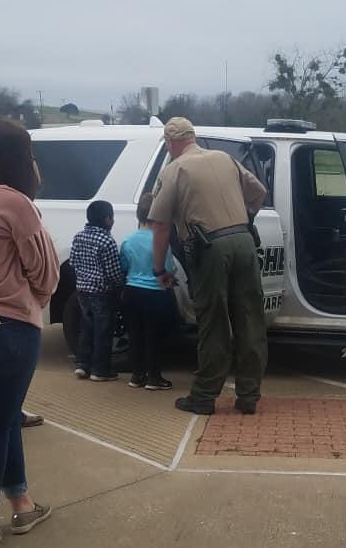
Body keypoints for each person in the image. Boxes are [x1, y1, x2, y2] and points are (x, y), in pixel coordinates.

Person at [149, 117, 267, 415]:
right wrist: (241, 221)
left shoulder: (174, 170)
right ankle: (249, 396)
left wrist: (159, 269)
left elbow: (161, 226)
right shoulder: (224, 158)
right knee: (250, 318)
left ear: (170, 142)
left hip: (210, 248)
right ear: (193, 136)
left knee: (213, 323)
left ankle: (203, 397)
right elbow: (259, 194)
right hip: (244, 240)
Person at [0, 119, 59, 545]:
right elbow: (46, 274)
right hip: (9, 329)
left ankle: (21, 502)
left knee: (4, 418)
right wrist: (34, 296)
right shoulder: (13, 203)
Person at [120, 192, 174, 391]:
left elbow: (123, 265)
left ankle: (136, 375)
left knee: (135, 335)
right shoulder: (161, 242)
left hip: (132, 292)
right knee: (154, 336)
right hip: (155, 293)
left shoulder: (128, 240)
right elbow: (169, 267)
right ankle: (154, 377)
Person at [69, 200, 123, 381]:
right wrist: (120, 286)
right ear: (107, 219)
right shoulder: (107, 241)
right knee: (103, 331)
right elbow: (114, 272)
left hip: (82, 291)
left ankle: (82, 365)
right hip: (102, 293)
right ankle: (100, 370)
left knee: (87, 327)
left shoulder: (78, 236)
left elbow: (72, 262)